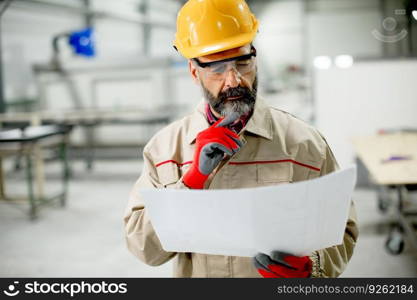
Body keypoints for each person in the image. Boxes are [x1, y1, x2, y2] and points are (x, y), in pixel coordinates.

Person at [124, 0, 358, 278]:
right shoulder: (165, 149)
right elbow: (144, 249)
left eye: (242, 62)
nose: (234, 80)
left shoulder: (303, 143)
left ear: (255, 58)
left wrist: (313, 268)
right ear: (194, 72)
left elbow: (342, 231)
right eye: (217, 68)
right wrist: (191, 181)